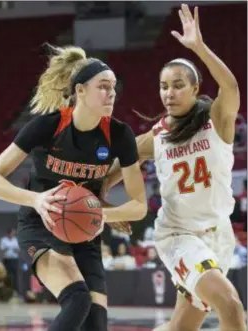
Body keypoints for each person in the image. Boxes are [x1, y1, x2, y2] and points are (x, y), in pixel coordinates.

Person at [103, 4, 246, 331]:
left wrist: (198, 47)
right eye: (164, 86)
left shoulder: (217, 123)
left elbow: (232, 88)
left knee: (181, 327)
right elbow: (112, 171)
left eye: (178, 85)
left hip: (219, 236)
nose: (169, 92)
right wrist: (108, 204)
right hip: (178, 236)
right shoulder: (155, 138)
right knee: (231, 306)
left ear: (195, 89)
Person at [0, 44, 147, 331]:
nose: (111, 92)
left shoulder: (120, 134)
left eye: (113, 86)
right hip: (41, 223)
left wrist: (100, 215)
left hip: (85, 229)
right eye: (103, 86)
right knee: (78, 301)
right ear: (80, 91)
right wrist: (35, 199)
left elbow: (139, 206)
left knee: (96, 324)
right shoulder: (48, 126)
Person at [0, 228, 20, 292]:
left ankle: (15, 291)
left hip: (14, 259)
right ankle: (6, 290)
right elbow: (2, 249)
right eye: (12, 233)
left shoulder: (15, 240)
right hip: (7, 259)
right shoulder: (3, 240)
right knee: (6, 275)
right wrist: (9, 248)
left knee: (15, 275)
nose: (13, 234)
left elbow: (18, 250)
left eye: (14, 233)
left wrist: (13, 248)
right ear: (9, 233)